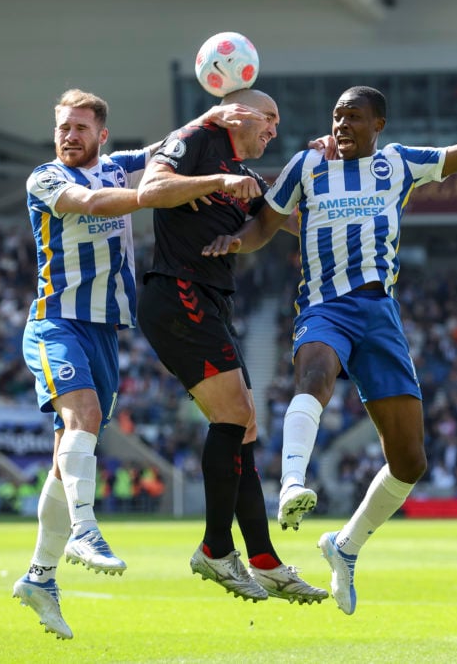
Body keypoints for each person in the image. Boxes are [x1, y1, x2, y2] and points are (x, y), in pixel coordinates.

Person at [201, 85, 457, 614]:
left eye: (353, 117)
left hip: (379, 313)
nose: (341, 125)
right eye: (336, 116)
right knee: (314, 374)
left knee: (409, 460)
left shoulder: (399, 164)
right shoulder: (307, 165)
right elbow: (265, 224)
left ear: (378, 125)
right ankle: (291, 484)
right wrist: (236, 242)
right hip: (324, 305)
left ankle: (346, 546)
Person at [12, 88, 262, 639]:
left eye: (80, 128)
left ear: (102, 135)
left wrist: (210, 116)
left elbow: (165, 148)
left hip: (105, 333)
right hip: (58, 321)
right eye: (63, 128)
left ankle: (40, 577)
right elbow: (95, 205)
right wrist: (165, 193)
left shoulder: (123, 165)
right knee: (82, 420)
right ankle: (84, 529)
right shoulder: (46, 179)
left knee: (66, 460)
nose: (69, 136)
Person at [135, 88, 327, 605]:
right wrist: (219, 180)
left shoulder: (250, 176)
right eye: (269, 117)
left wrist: (324, 168)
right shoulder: (199, 139)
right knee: (235, 415)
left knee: (245, 425)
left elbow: (291, 221)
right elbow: (150, 188)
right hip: (175, 289)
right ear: (239, 112)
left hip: (212, 300)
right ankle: (216, 547)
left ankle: (263, 558)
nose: (274, 129)